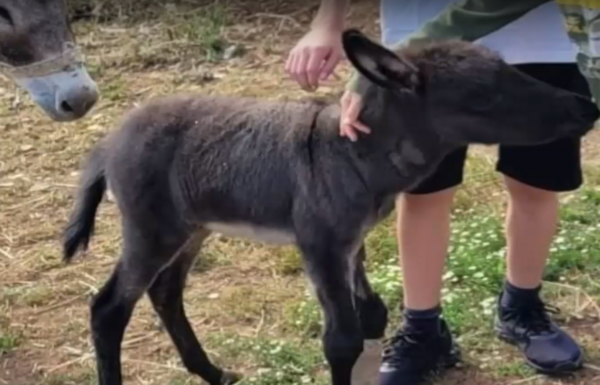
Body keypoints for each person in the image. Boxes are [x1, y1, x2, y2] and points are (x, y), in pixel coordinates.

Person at [286, 1, 598, 385]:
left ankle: (522, 307)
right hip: (421, 57)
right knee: (424, 192)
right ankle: (422, 328)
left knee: (536, 182)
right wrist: (328, 19)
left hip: (546, 44)